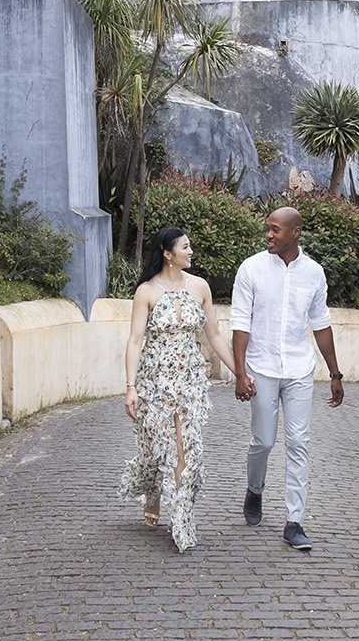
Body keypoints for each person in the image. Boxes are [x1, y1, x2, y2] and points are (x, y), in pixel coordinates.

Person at [230, 206, 344, 552]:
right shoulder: (251, 269)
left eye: (275, 230)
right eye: (267, 228)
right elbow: (240, 323)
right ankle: (255, 489)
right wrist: (240, 372)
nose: (269, 235)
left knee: (298, 444)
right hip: (261, 367)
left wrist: (335, 373)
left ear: (295, 233)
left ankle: (294, 522)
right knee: (263, 442)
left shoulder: (314, 273)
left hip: (298, 370)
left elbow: (320, 324)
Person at [118, 226, 239, 552]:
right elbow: (135, 341)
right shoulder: (146, 292)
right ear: (168, 254)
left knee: (188, 448)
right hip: (155, 382)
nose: (191, 252)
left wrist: (240, 372)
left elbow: (214, 336)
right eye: (185, 247)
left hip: (190, 383)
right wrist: (131, 388)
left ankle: (182, 516)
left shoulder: (200, 287)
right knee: (157, 446)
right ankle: (154, 492)